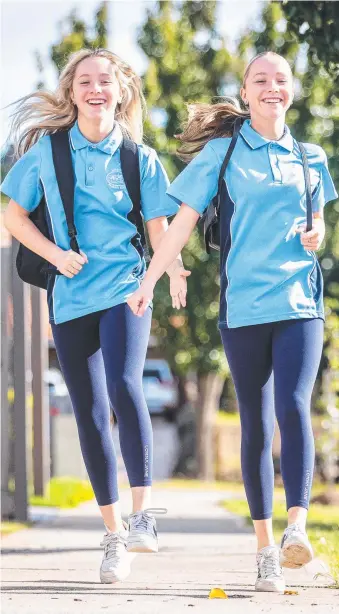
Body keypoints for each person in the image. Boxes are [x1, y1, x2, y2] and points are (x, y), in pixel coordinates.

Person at [127, 51, 338, 593]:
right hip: (243, 308)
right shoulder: (223, 154)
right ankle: (264, 548)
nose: (271, 87)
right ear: (245, 93)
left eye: (280, 79)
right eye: (260, 80)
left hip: (299, 303)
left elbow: (318, 224)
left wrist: (318, 234)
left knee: (294, 406)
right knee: (255, 420)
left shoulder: (311, 156)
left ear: (292, 90)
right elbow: (180, 225)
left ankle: (295, 531)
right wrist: (150, 279)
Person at [2, 48, 189, 584]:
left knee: (127, 386)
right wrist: (56, 255)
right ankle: (112, 536)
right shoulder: (46, 154)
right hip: (71, 295)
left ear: (121, 90)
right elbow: (14, 216)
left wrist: (169, 272)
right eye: (85, 81)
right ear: (72, 92)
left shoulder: (140, 158)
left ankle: (143, 515)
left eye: (105, 80)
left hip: (127, 288)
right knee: (88, 410)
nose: (96, 89)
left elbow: (158, 229)